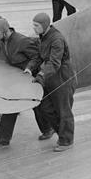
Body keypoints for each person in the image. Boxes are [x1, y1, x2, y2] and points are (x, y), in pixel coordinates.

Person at [0, 18, 54, 146]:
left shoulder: (22, 41)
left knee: (38, 106)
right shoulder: (2, 39)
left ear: (5, 31)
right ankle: (3, 138)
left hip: (30, 76)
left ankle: (48, 129)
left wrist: (29, 68)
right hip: (18, 78)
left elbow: (37, 56)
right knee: (11, 104)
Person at [25, 12, 76, 152]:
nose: (34, 28)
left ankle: (67, 141)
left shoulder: (56, 39)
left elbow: (54, 63)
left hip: (62, 77)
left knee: (63, 110)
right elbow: (39, 56)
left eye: (36, 26)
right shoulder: (43, 37)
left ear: (45, 26)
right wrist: (30, 68)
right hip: (50, 76)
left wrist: (41, 75)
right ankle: (60, 133)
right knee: (45, 107)